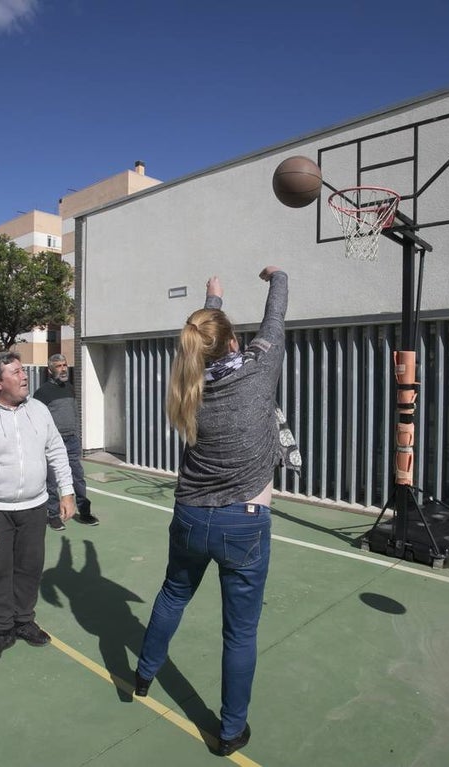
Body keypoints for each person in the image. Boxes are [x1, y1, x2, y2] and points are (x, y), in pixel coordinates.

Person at [135, 266, 289, 757]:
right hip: (242, 523)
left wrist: (212, 298)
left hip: (189, 515)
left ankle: (143, 676)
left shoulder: (189, 385)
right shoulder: (259, 371)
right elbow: (275, 318)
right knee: (239, 633)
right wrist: (277, 275)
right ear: (230, 346)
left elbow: (210, 338)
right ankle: (230, 731)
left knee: (172, 595)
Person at [0, 351, 77, 666]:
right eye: (16, 372)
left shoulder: (38, 410)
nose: (25, 377)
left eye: (23, 371)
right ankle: (0, 630)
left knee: (30, 567)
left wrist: (66, 491)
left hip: (35, 507)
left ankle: (24, 621)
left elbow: (56, 450)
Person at [33, 353, 98, 531]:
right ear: (50, 370)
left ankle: (84, 512)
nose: (63, 369)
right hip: (53, 443)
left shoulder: (70, 388)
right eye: (59, 366)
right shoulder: (42, 393)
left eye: (64, 365)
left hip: (71, 440)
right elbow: (38, 420)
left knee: (77, 476)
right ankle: (54, 516)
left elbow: (73, 414)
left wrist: (76, 435)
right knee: (52, 480)